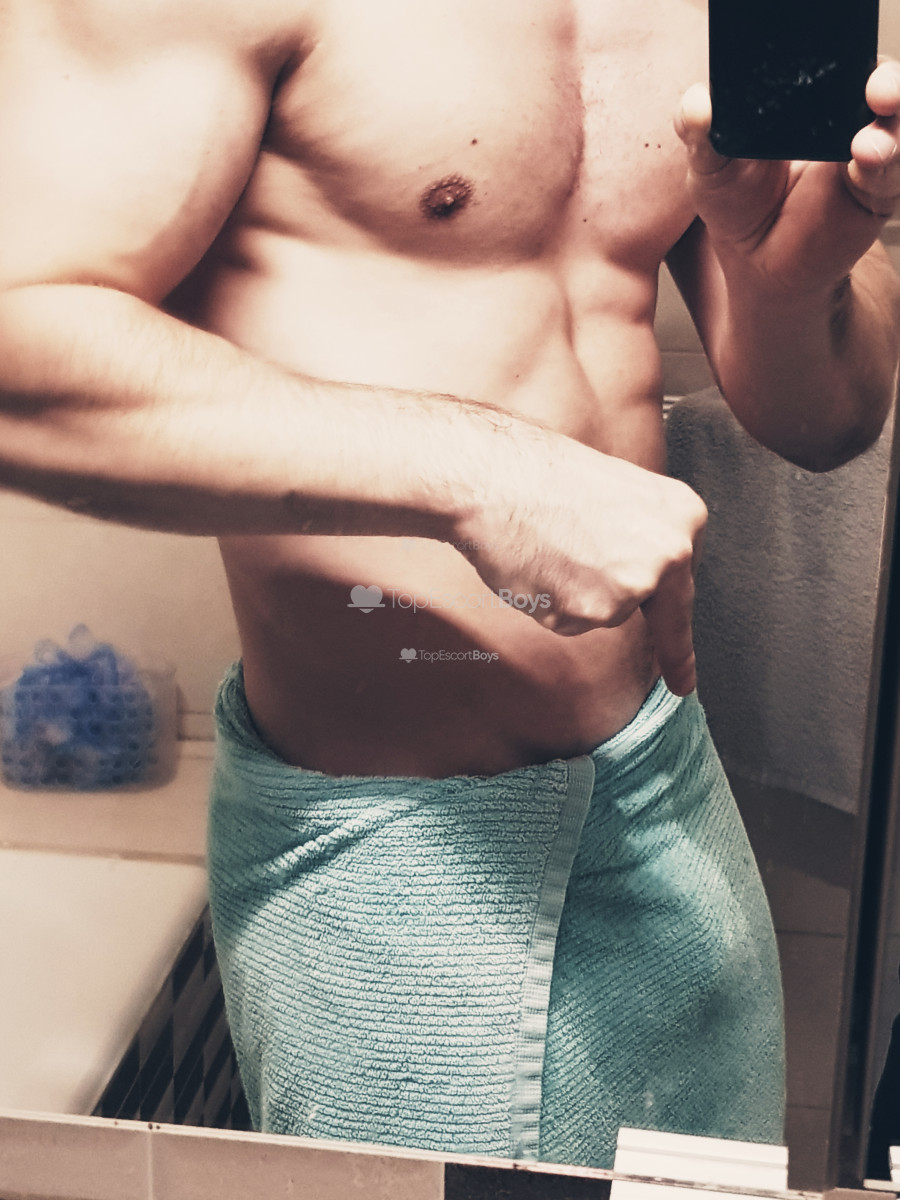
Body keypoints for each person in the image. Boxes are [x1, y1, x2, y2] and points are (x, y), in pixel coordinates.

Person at [2, 0, 899, 1170]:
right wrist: (487, 473)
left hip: (668, 782)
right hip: (394, 849)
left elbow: (827, 422)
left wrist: (793, 288)